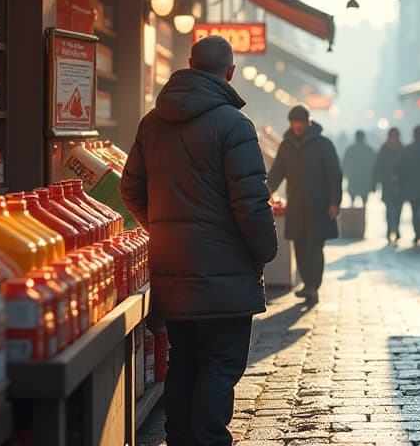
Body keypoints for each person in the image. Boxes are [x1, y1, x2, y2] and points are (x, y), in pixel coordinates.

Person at [119, 35, 278, 446]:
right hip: (225, 275)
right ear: (230, 73)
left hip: (173, 268)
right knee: (219, 364)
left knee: (183, 358)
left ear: (189, 63)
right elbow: (251, 203)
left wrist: (163, 227)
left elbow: (131, 189)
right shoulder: (234, 125)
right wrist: (265, 250)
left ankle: (180, 437)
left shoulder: (152, 123)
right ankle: (208, 440)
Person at [267, 105, 343, 304]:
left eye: (300, 122)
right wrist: (263, 193)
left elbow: (334, 175)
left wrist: (335, 202)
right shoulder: (286, 147)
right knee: (300, 247)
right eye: (294, 122)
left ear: (309, 122)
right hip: (296, 207)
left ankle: (312, 286)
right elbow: (276, 174)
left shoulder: (323, 145)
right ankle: (308, 284)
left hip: (319, 206)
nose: (297, 126)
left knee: (315, 247)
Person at [373, 127, 404, 244]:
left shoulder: (402, 149)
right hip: (387, 183)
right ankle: (390, 228)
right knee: (389, 208)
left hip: (400, 185)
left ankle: (396, 228)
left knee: (398, 208)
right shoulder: (384, 149)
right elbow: (378, 166)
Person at [342, 130, 377, 207]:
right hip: (365, 180)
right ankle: (362, 216)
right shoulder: (369, 150)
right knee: (364, 202)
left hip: (353, 179)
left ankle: (352, 217)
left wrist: (346, 174)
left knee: (352, 201)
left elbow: (345, 164)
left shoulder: (350, 149)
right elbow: (374, 165)